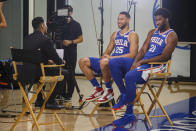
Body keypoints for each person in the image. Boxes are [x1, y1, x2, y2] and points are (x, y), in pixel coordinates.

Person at [109, 8, 178, 127]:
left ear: (167, 19)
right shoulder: (152, 32)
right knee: (113, 62)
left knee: (129, 76)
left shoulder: (172, 36)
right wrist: (135, 62)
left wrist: (141, 62)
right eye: (156, 20)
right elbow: (143, 49)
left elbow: (164, 57)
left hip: (157, 66)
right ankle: (124, 94)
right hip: (144, 63)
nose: (157, 23)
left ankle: (129, 114)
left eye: (160, 20)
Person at [79, 11, 138, 103]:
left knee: (104, 62)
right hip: (109, 62)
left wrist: (111, 58)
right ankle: (98, 88)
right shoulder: (115, 34)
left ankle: (109, 90)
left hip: (122, 65)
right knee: (83, 61)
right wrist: (104, 56)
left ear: (128, 20)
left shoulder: (132, 35)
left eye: (121, 19)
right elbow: (107, 51)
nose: (119, 21)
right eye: (118, 19)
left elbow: (133, 54)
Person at [22, 17, 66, 109]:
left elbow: (34, 55)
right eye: (45, 24)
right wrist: (61, 61)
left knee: (45, 68)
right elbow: (56, 58)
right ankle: (50, 101)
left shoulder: (26, 38)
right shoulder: (45, 40)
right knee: (64, 73)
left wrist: (46, 60)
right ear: (42, 26)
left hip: (26, 72)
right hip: (38, 73)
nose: (46, 27)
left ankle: (39, 100)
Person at [61, 5, 83, 101]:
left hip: (71, 52)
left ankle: (69, 94)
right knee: (60, 72)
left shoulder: (76, 24)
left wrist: (71, 42)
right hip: (60, 51)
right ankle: (60, 93)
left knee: (70, 73)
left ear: (70, 13)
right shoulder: (60, 24)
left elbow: (81, 38)